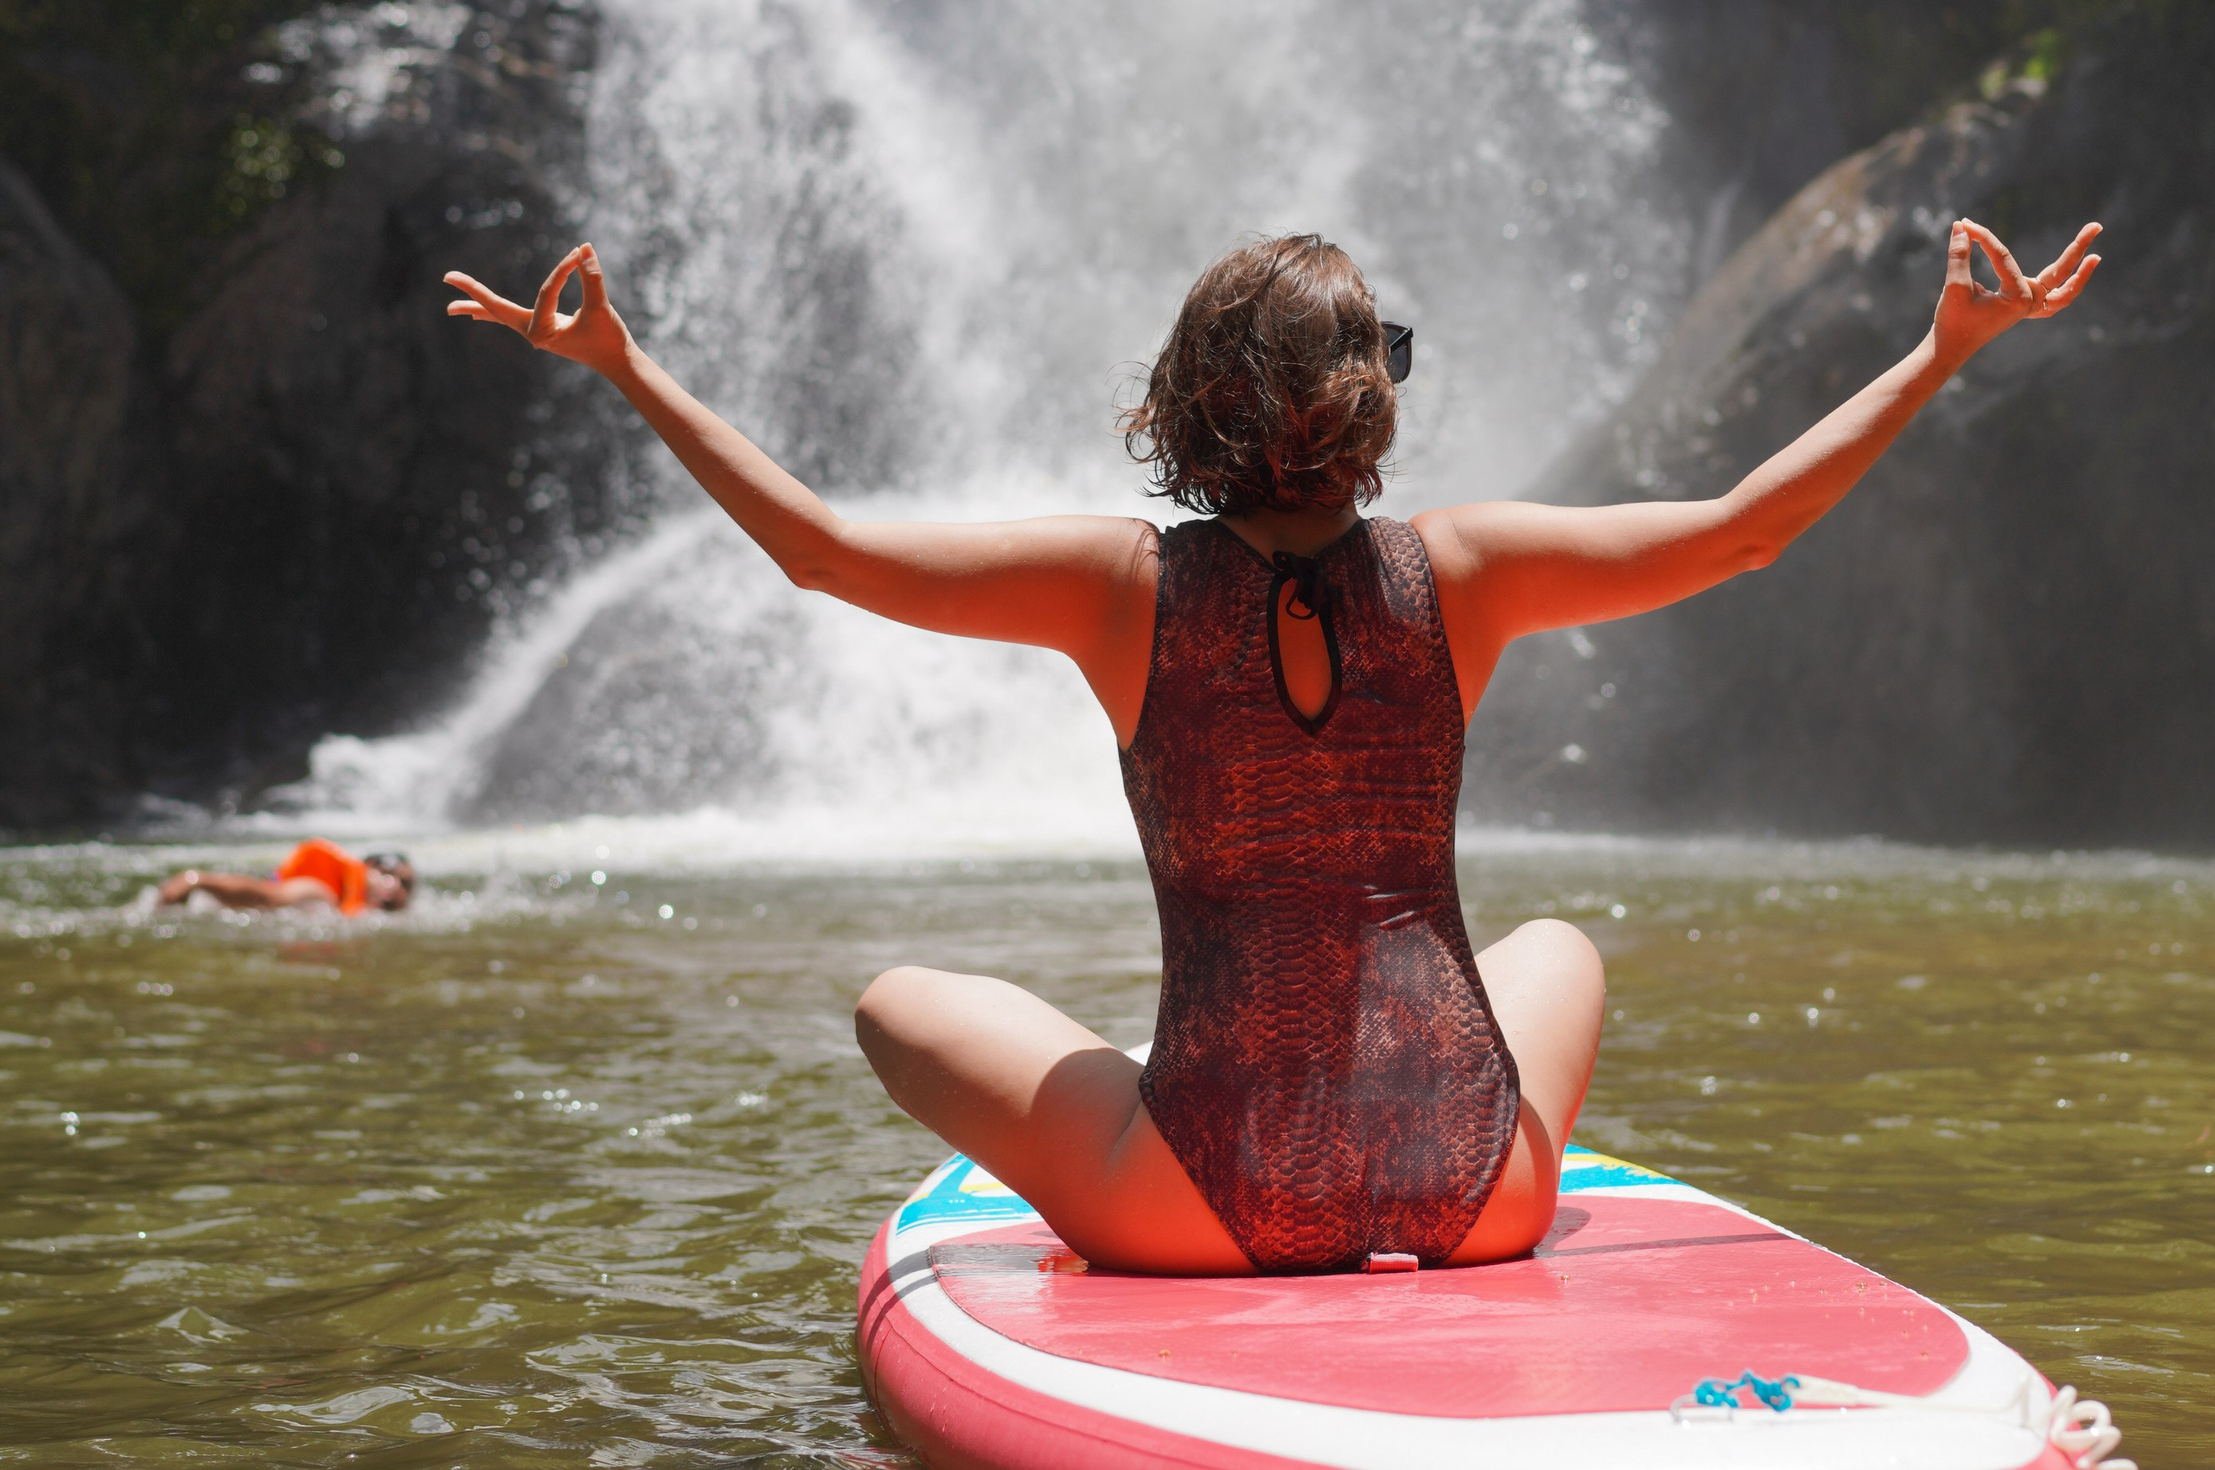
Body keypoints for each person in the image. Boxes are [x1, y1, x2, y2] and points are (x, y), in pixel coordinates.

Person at [444, 214, 2099, 1275]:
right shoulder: (1467, 569)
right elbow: (1745, 530)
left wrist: (624, 363)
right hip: (1477, 1188)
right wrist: (1940, 353)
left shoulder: (1116, 587)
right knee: (1560, 947)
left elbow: (821, 548)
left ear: (1183, 399)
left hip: (1214, 1197)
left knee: (899, 1004)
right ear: (1375, 405)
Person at [155, 840, 416, 915]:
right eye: (392, 875)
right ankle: (199, 880)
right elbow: (272, 897)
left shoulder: (348, 904)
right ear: (369, 865)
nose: (397, 889)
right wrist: (197, 880)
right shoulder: (323, 890)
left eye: (406, 887)